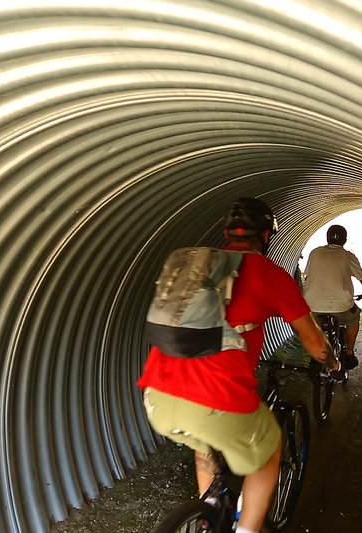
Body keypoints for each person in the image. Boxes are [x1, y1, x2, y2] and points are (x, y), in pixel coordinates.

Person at [137, 197, 338, 533]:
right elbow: (314, 340)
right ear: (266, 236)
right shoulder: (269, 274)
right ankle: (247, 530)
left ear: (227, 234)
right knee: (270, 447)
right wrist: (329, 361)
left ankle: (209, 516)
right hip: (217, 402)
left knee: (205, 446)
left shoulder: (198, 270)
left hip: (158, 397)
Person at [302, 224, 362, 370]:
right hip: (342, 307)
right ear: (345, 240)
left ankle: (314, 354)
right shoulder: (348, 256)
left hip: (312, 305)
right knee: (354, 318)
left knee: (315, 326)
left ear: (327, 238)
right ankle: (349, 352)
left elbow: (307, 277)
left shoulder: (314, 253)